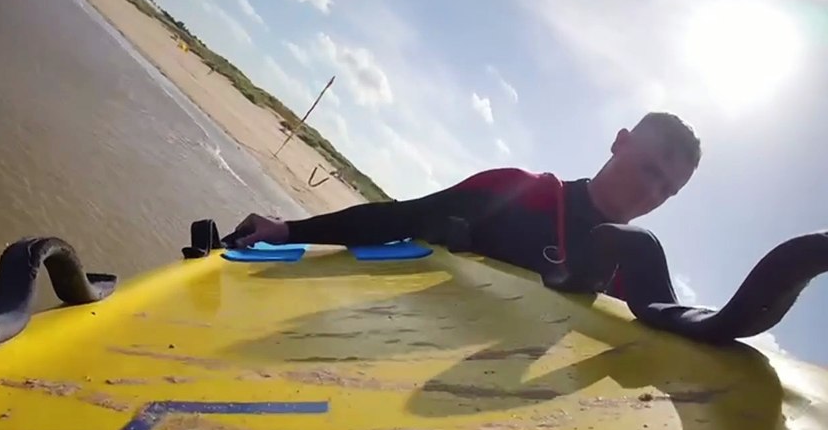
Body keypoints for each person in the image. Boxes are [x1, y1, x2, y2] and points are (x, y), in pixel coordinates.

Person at [226, 112, 702, 300]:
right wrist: (288, 230)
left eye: (668, 190)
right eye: (650, 170)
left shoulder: (630, 275)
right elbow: (401, 217)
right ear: (620, 143)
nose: (651, 194)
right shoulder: (523, 192)